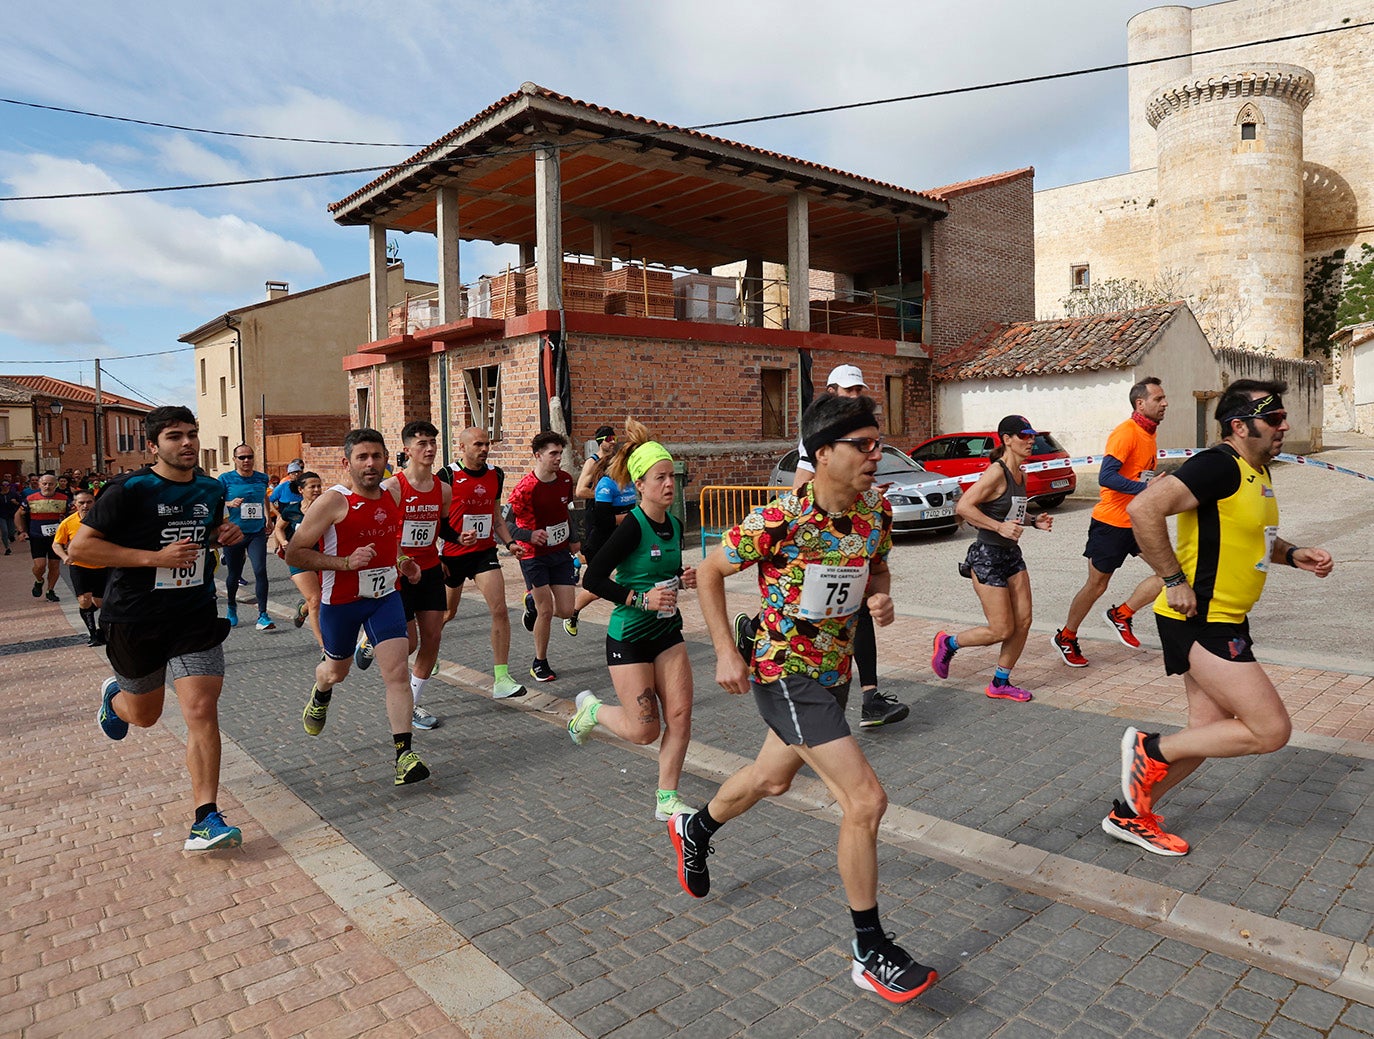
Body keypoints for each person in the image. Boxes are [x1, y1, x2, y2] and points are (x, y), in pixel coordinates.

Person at [679, 393, 938, 1005]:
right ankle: (869, 949)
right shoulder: (779, 520)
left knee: (772, 781)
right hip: (783, 671)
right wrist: (722, 650)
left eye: (880, 444)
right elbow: (711, 571)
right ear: (823, 454)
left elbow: (876, 570)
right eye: (864, 446)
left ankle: (697, 826)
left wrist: (882, 598)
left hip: (833, 674)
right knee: (865, 800)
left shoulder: (876, 512)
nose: (878, 456)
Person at [1109, 379, 1334, 856]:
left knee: (1203, 735)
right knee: (1270, 731)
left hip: (1227, 618)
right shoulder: (1217, 466)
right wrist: (1172, 579)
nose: (1284, 425)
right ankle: (1150, 751)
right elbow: (1144, 508)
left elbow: (1252, 538)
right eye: (1273, 418)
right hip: (1201, 621)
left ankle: (1129, 816)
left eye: (1282, 416)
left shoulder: (1257, 473)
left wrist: (1294, 555)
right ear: (1239, 425)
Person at [73, 405, 245, 850]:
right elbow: (80, 548)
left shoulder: (210, 488)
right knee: (145, 716)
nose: (186, 443)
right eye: (174, 436)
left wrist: (223, 534)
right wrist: (155, 559)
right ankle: (116, 699)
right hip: (134, 617)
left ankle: (206, 818)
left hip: (193, 613)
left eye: (192, 433)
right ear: (154, 445)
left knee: (201, 710)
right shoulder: (129, 489)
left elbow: (205, 533)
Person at [569, 420, 698, 821]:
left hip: (667, 633)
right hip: (629, 637)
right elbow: (592, 579)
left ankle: (666, 799)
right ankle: (591, 711)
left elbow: (659, 575)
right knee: (644, 731)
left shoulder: (675, 525)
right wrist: (638, 598)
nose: (668, 484)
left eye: (671, 476)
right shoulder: (631, 528)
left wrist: (683, 579)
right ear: (639, 484)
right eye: (659, 478)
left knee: (679, 716)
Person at [287, 429, 429, 786]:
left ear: (386, 460)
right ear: (346, 463)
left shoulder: (394, 492)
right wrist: (345, 564)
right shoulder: (334, 501)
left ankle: (403, 754)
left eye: (376, 457)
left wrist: (404, 563)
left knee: (396, 672)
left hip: (385, 598)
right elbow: (295, 552)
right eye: (362, 458)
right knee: (336, 671)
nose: (370, 464)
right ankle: (321, 692)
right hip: (341, 604)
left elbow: (388, 539)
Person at [783, 364, 908, 728]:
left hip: (833, 662)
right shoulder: (823, 438)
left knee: (860, 606)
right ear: (831, 391)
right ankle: (756, 628)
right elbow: (802, 493)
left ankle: (869, 696)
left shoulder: (864, 445)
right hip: (786, 659)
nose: (854, 397)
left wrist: (864, 496)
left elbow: (882, 570)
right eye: (848, 391)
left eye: (858, 391)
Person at [931, 415, 1054, 702]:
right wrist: (999, 528)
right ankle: (948, 643)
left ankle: (1000, 682)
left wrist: (1034, 521)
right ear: (1007, 439)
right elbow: (963, 506)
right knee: (1001, 629)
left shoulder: (1020, 473)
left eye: (1032, 436)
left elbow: (1010, 512)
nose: (1030, 441)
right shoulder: (996, 473)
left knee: (1023, 621)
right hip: (986, 557)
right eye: (1024, 436)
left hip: (1011, 555)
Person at [1053, 378, 1169, 666]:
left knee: (1171, 574)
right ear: (1140, 404)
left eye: (1165, 398)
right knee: (1096, 585)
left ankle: (1122, 614)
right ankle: (1066, 636)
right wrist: (1146, 489)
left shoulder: (1148, 433)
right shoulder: (1126, 433)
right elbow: (1107, 477)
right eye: (1158, 399)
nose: (1165, 403)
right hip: (1112, 523)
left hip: (1138, 522)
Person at [437, 427, 526, 700]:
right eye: (478, 444)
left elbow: (496, 515)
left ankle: (501, 678)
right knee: (445, 614)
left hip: (483, 553)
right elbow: (435, 519)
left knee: (499, 610)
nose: (484, 449)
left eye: (487, 444)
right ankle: (427, 654)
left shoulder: (496, 474)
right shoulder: (447, 475)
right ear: (461, 447)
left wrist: (510, 542)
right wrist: (433, 554)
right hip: (452, 554)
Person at [379, 420, 452, 729]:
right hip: (400, 573)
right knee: (407, 643)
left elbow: (444, 527)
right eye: (422, 443)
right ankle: (370, 636)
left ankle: (413, 702)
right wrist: (402, 560)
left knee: (433, 637)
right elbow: (384, 532)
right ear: (407, 449)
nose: (430, 448)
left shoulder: (444, 489)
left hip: (430, 569)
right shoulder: (393, 487)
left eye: (433, 442)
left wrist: (461, 539)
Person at [508, 431, 580, 683]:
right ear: (538, 455)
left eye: (561, 453)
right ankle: (539, 662)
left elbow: (566, 512)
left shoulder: (565, 480)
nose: (559, 458)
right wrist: (528, 535)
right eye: (553, 453)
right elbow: (505, 524)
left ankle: (529, 603)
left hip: (559, 553)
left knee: (566, 609)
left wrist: (573, 537)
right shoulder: (525, 488)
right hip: (533, 556)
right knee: (546, 611)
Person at [563, 442, 637, 637]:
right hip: (603, 538)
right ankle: (570, 613)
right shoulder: (606, 483)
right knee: (598, 587)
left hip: (622, 539)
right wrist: (632, 517)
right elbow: (603, 520)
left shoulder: (630, 482)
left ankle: (577, 561)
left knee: (628, 579)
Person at [218, 444, 274, 631]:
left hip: (256, 532)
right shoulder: (225, 479)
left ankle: (263, 614)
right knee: (233, 574)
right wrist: (229, 503)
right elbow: (215, 503)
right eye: (241, 457)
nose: (246, 460)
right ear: (234, 459)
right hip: (234, 533)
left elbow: (263, 498)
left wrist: (268, 517)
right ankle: (232, 606)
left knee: (260, 570)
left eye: (249, 456)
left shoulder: (262, 478)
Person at [270, 469, 324, 647]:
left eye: (319, 486)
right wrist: (284, 542)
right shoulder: (292, 509)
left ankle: (303, 609)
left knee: (322, 598)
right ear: (301, 490)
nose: (316, 490)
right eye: (312, 487)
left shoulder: (326, 510)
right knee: (315, 599)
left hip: (323, 559)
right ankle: (325, 647)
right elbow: (278, 528)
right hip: (299, 560)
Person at [52, 489, 109, 646]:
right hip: (79, 566)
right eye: (81, 503)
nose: (85, 506)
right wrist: (65, 557)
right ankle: (93, 634)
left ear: (95, 503)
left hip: (102, 566)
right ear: (74, 505)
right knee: (84, 600)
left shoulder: (105, 520)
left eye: (89, 502)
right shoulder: (68, 523)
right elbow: (56, 544)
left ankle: (102, 631)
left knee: (100, 603)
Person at [18, 472, 70, 601]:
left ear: (55, 485)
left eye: (51, 484)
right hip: (37, 537)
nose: (47, 486)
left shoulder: (63, 499)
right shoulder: (31, 498)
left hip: (56, 538)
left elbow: (73, 516)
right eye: (45, 484)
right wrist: (21, 531)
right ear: (40, 484)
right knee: (40, 566)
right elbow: (18, 515)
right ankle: (39, 580)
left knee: (54, 565)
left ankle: (50, 590)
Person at [574, 425, 617, 500]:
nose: (613, 442)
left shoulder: (616, 460)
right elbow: (580, 491)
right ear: (600, 441)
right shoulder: (592, 462)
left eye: (614, 438)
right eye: (609, 439)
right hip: (596, 508)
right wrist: (604, 495)